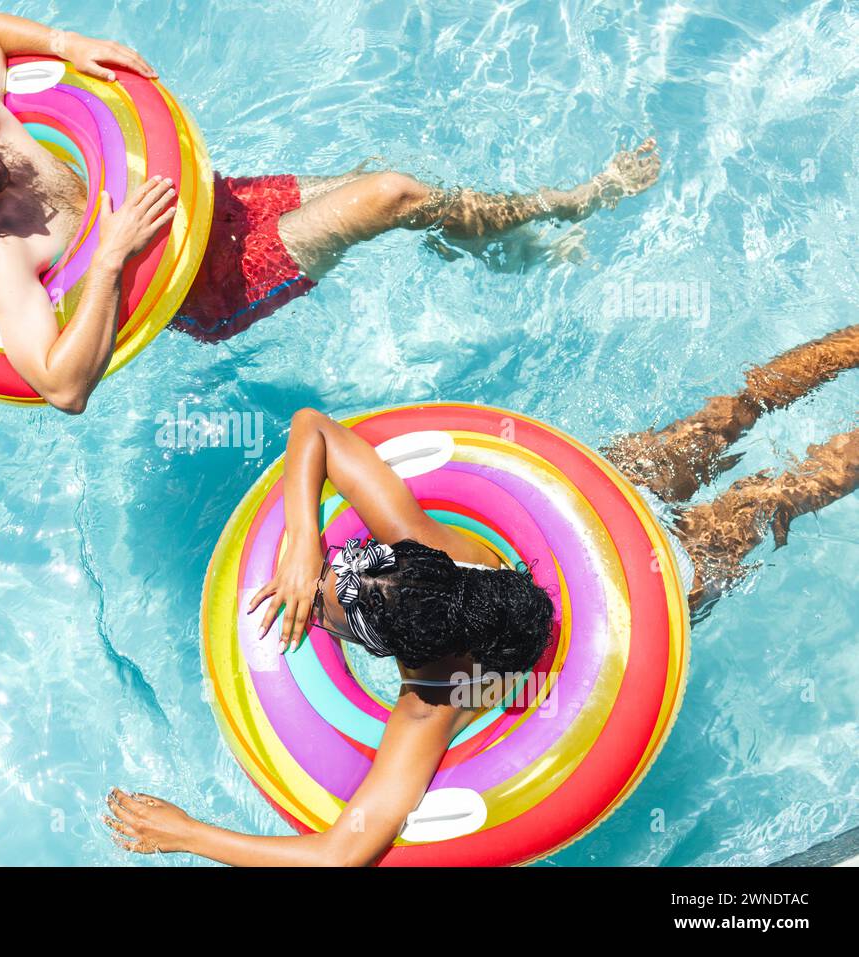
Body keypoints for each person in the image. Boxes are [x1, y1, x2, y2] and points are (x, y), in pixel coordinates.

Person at [103, 323, 859, 865]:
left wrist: (187, 833)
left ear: (394, 647)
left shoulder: (432, 698)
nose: (336, 570)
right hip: (608, 520)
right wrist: (305, 539)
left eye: (345, 588)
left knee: (781, 488)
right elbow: (314, 428)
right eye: (353, 558)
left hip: (661, 584)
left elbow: (341, 855)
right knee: (735, 420)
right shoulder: (425, 549)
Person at [0, 11, 661, 413]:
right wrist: (108, 258)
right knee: (394, 193)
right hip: (213, 284)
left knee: (376, 187)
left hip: (227, 202)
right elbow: (63, 387)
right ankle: (567, 206)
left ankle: (489, 246)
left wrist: (70, 47)